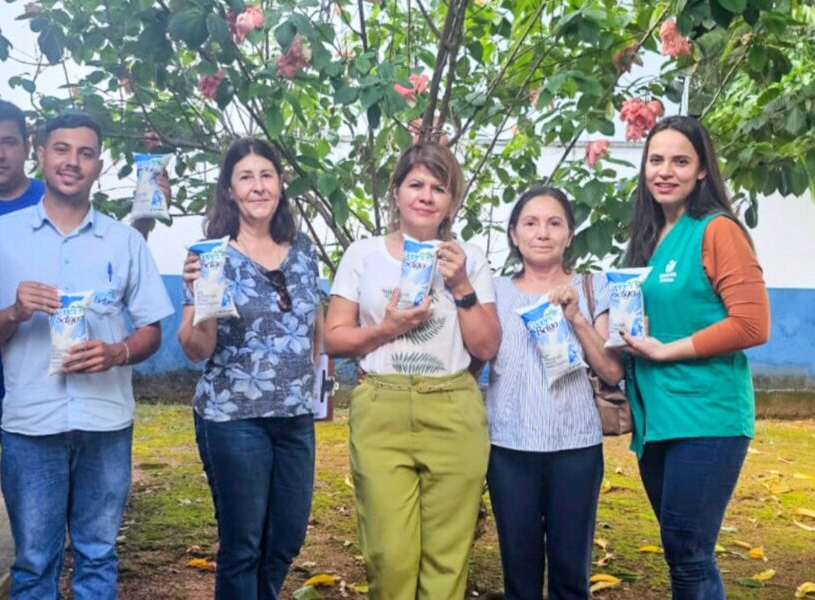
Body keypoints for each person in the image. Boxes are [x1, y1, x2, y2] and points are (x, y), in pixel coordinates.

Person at [0, 99, 171, 600]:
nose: (72, 161)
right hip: (12, 403)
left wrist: (117, 352)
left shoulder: (120, 239)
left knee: (98, 553)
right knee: (18, 547)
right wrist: (13, 310)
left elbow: (146, 320)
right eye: (62, 150)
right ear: (44, 156)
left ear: (98, 165)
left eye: (85, 153)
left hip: (100, 415)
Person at [324, 142, 500, 600]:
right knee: (390, 558)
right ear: (396, 193)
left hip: (453, 409)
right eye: (416, 184)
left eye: (439, 188)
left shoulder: (470, 259)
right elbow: (334, 339)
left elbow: (486, 346)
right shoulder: (363, 254)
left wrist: (460, 283)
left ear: (451, 201)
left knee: (447, 560)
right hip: (381, 408)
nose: (426, 196)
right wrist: (387, 328)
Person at [619, 115, 769, 600]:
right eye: (656, 160)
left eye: (680, 161)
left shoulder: (717, 230)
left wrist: (667, 350)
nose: (665, 171)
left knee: (690, 554)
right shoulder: (650, 237)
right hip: (657, 420)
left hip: (707, 417)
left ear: (703, 170)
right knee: (679, 552)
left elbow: (752, 324)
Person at [177, 138, 322, 600]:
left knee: (285, 540)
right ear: (229, 189)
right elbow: (196, 350)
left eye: (266, 175)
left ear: (280, 184)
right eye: (246, 177)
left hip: (295, 417)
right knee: (243, 546)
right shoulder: (211, 255)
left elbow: (314, 324)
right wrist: (201, 299)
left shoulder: (303, 250)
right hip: (233, 417)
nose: (258, 186)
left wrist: (320, 387)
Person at [484, 186, 624, 600]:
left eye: (554, 223)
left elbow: (612, 370)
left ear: (569, 234)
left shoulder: (594, 286)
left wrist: (576, 317)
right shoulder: (494, 292)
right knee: (519, 577)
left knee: (570, 577)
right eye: (530, 223)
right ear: (513, 234)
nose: (542, 233)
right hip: (509, 448)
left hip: (575, 449)